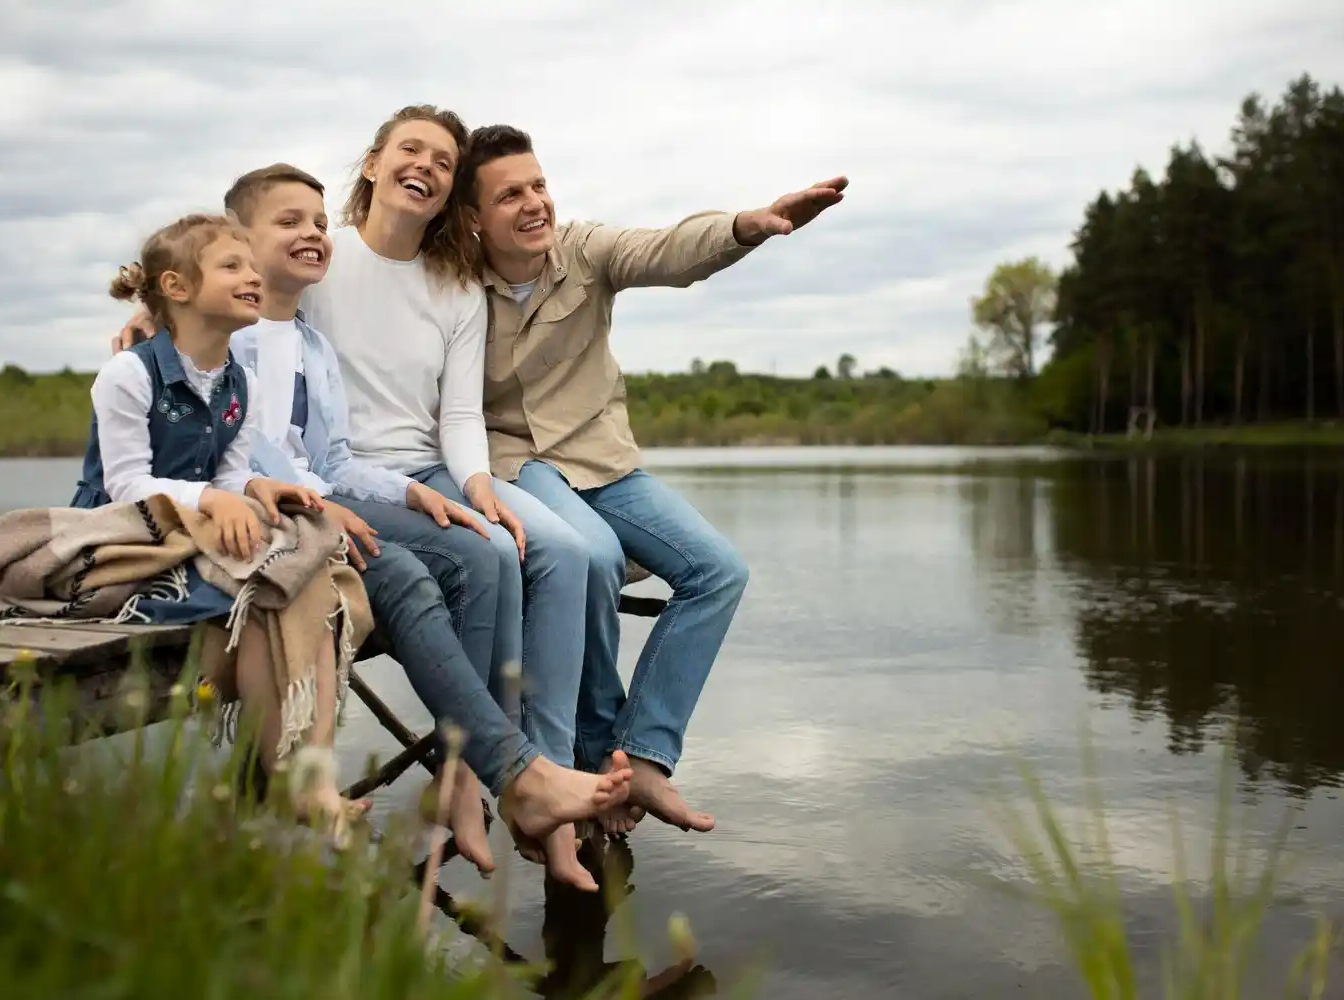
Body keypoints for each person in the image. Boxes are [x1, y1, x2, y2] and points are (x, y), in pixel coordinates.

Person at [113, 162, 632, 891]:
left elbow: (330, 459)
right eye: (289, 223)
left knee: (480, 549)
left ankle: (474, 772)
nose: (312, 234)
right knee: (411, 575)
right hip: (240, 523)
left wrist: (413, 493)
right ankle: (507, 773)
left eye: (318, 222)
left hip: (304, 507)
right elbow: (225, 459)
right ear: (237, 244)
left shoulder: (312, 347)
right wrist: (156, 320)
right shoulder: (216, 343)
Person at [460, 123, 848, 835]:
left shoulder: (584, 250)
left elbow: (669, 251)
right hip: (518, 463)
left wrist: (747, 225)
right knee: (594, 557)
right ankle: (588, 760)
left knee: (718, 571)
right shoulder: (455, 285)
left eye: (539, 185)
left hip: (601, 461)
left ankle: (640, 753)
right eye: (511, 195)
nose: (535, 203)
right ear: (474, 217)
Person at [298, 104, 616, 886]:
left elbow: (461, 415)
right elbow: (234, 288)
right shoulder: (322, 259)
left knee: (517, 544)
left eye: (443, 162)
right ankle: (475, 775)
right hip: (339, 476)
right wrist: (151, 314)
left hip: (431, 468)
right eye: (411, 150)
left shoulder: (455, 287)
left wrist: (478, 485)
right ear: (373, 163)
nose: (426, 167)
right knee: (483, 554)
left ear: (450, 191)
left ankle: (499, 771)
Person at [75, 211, 360, 832]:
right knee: (258, 595)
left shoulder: (240, 382)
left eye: (253, 267)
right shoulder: (130, 373)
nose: (252, 276)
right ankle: (285, 776)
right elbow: (125, 483)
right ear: (176, 287)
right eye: (233, 266)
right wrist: (212, 499)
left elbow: (229, 473)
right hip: (126, 534)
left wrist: (254, 487)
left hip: (199, 532)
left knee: (303, 580)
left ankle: (310, 775)